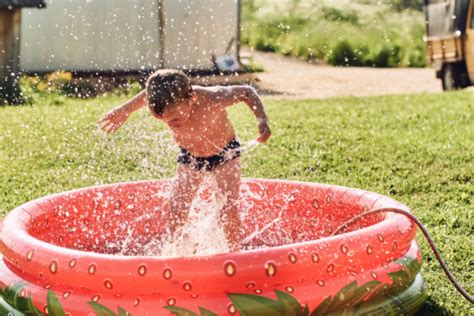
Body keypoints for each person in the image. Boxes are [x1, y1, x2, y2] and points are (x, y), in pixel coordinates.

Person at [99, 69, 271, 252]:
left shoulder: (212, 97)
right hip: (190, 156)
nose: (171, 124)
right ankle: (177, 251)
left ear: (192, 99)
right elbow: (146, 95)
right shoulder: (166, 101)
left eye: (176, 119)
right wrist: (125, 110)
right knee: (177, 207)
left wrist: (261, 120)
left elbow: (247, 92)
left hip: (225, 154)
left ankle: (234, 251)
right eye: (164, 120)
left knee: (228, 206)